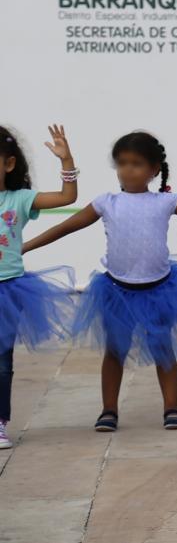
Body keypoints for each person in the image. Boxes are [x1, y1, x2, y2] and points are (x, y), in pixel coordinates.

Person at [23, 133, 177, 432]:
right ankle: (108, 410)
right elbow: (66, 227)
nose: (127, 170)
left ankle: (172, 406)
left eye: (136, 164)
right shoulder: (106, 202)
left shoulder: (165, 201)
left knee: (163, 349)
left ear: (154, 169)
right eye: (122, 164)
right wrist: (25, 246)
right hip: (117, 291)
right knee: (115, 351)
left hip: (160, 290)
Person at [0, 125, 78, 449]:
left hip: (9, 290)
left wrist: (66, 161)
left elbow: (67, 197)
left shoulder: (19, 200)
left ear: (9, 164)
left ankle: (0, 422)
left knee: (2, 361)